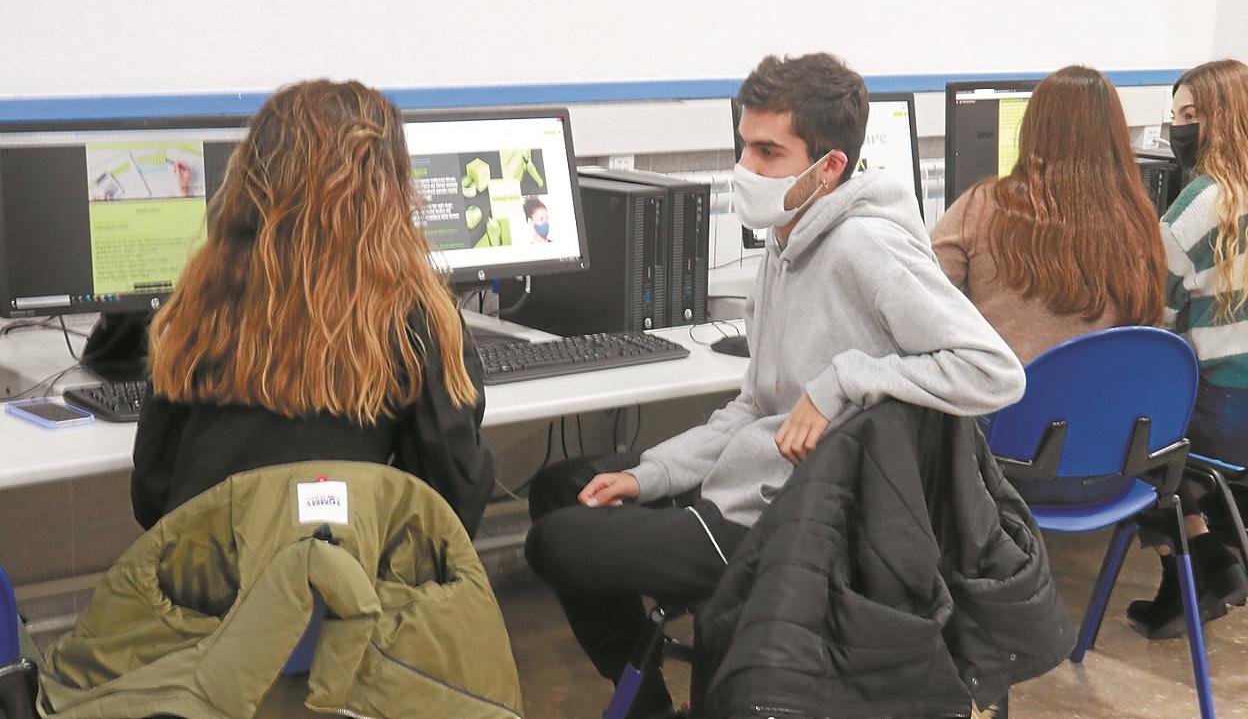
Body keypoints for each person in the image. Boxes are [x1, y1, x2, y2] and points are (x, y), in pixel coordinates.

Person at [525, 53, 1025, 718]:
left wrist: (845, 379)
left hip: (792, 522)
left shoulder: (865, 246)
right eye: (743, 147)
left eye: (767, 152)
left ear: (830, 169)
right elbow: (754, 408)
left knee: (554, 542)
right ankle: (650, 705)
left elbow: (994, 369)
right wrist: (653, 474)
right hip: (754, 479)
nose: (746, 169)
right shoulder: (787, 240)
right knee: (560, 487)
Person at [130, 80, 495, 537]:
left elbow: (151, 498)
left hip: (201, 592)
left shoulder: (197, 307)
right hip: (344, 595)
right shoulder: (411, 318)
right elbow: (454, 505)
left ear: (251, 180)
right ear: (387, 188)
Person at [931, 65, 1168, 364]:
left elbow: (922, 295)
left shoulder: (981, 205)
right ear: (1115, 136)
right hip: (1109, 404)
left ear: (1033, 129)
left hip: (1012, 405)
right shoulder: (1139, 217)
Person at [1127, 59, 1248, 637]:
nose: (1179, 129)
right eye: (1175, 116)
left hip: (1228, 416)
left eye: (1191, 116)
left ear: (1223, 119)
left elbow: (1153, 330)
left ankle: (1190, 573)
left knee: (1131, 427)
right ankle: (1209, 562)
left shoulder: (1199, 207)